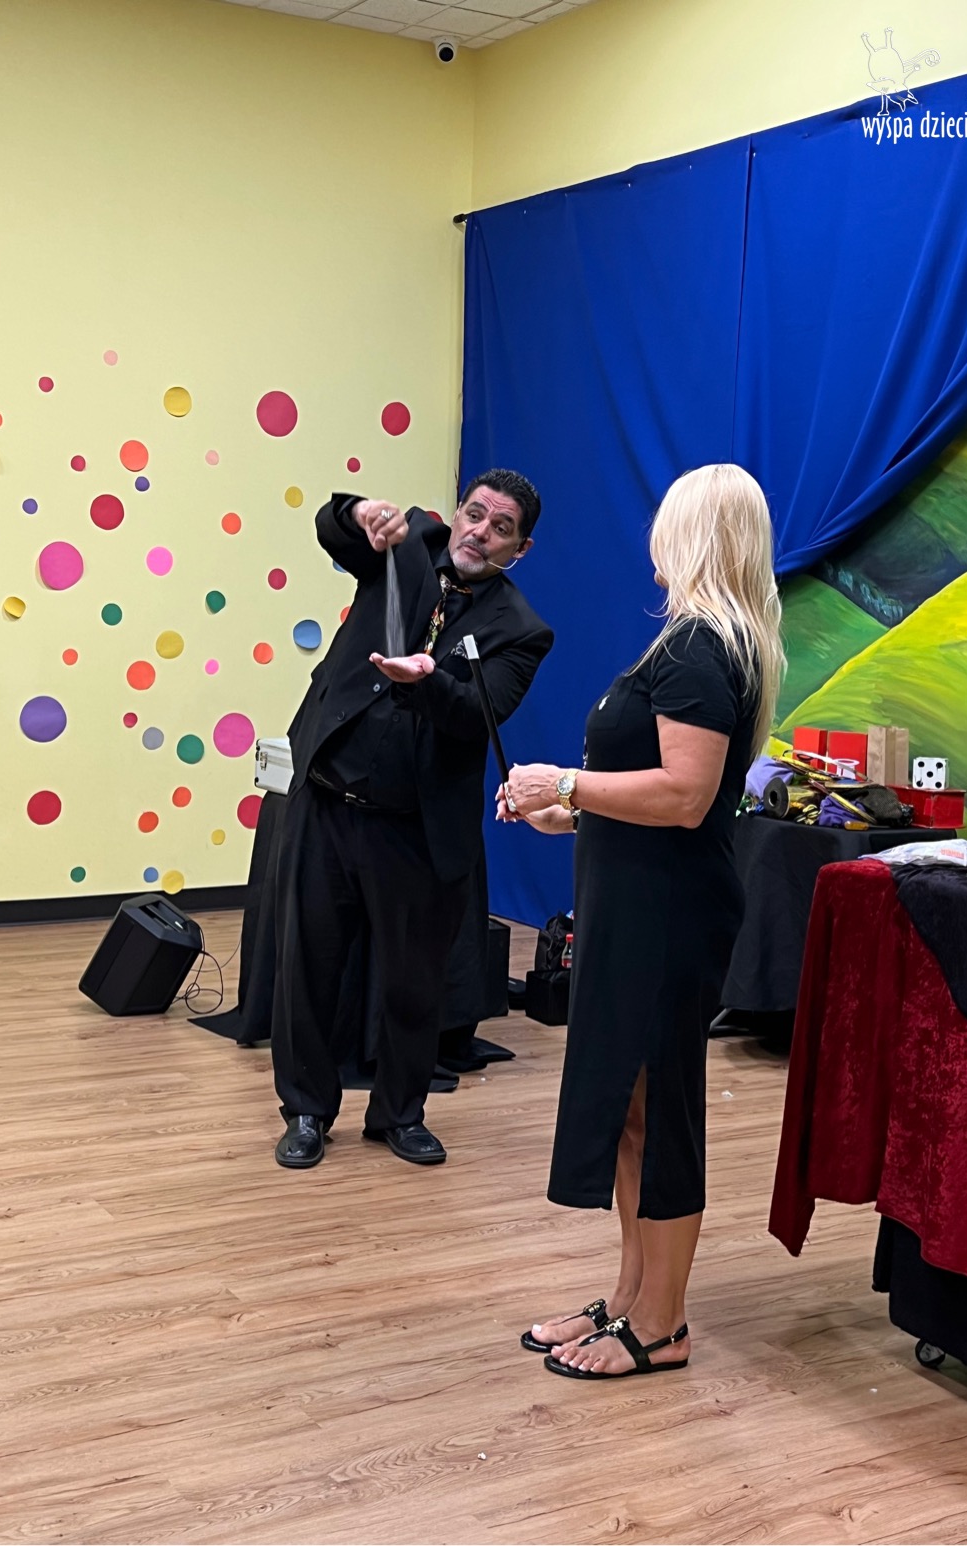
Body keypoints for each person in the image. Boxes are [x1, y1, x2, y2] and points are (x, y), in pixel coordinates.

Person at [498, 463, 784, 1379]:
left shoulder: (699, 648)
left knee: (659, 1115)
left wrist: (565, 781)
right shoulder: (696, 644)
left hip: (666, 919)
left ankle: (662, 1323)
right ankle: (628, 1297)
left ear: (688, 534)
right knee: (631, 1107)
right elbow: (656, 795)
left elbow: (686, 795)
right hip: (639, 907)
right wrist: (569, 813)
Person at [271, 471, 554, 1169]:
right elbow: (332, 527)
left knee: (411, 983)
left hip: (414, 829)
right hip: (327, 802)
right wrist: (358, 511)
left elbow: (475, 715)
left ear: (519, 550)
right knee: (308, 969)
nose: (479, 533)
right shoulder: (406, 548)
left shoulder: (521, 630)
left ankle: (398, 1114)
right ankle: (305, 1111)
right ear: (457, 513)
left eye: (500, 528)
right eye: (474, 514)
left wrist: (427, 681)